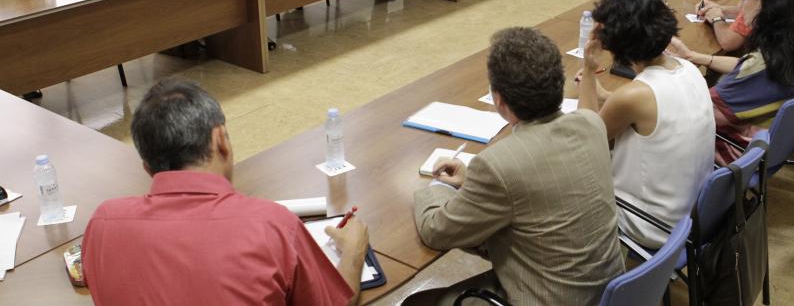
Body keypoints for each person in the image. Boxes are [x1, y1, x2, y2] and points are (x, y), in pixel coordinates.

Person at [82, 79, 369, 305]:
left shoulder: (103, 223)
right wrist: (354, 253)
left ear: (146, 167)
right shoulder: (272, 226)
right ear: (221, 140)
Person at [409, 27, 624, 306]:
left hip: (552, 298)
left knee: (417, 303)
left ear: (498, 100)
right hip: (608, 291)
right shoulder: (591, 124)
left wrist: (433, 187)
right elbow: (540, 185)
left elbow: (435, 231)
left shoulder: (498, 164)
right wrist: (470, 182)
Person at [578, 0, 714, 249]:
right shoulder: (688, 68)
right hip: (694, 211)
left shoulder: (634, 97)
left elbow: (585, 139)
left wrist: (588, 67)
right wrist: (609, 98)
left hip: (651, 225)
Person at [669, 0, 794, 164]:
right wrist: (695, 57)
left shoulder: (758, 68)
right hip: (759, 147)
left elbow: (697, 113)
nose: (739, 7)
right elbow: (748, 66)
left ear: (764, 4)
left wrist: (667, 70)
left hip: (728, 153)